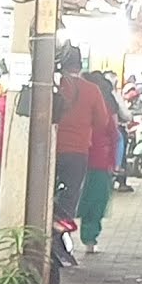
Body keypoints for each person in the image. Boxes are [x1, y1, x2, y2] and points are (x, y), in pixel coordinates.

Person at [54, 48, 113, 219]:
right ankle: (62, 235)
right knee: (69, 197)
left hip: (50, 148)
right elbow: (102, 121)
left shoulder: (54, 87)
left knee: (45, 194)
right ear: (80, 67)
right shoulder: (92, 90)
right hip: (77, 151)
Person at [77, 72, 121, 253]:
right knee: (95, 202)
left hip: (75, 157)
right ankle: (89, 239)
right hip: (98, 162)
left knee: (71, 199)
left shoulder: (74, 103)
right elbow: (116, 136)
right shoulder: (106, 109)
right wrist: (115, 163)